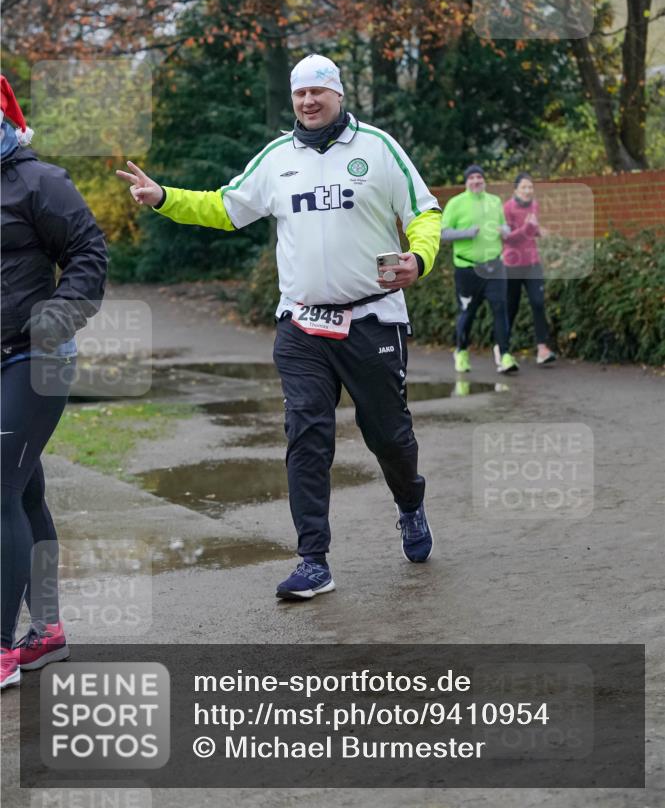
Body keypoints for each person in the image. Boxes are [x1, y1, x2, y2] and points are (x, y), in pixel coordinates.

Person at [117, 54, 442, 601]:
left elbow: (424, 211)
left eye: (319, 92)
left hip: (372, 319)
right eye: (300, 94)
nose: (309, 102)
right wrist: (164, 198)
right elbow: (226, 206)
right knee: (306, 435)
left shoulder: (378, 148)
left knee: (389, 436)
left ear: (339, 94)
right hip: (302, 324)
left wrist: (421, 258)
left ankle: (410, 504)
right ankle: (313, 560)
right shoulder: (275, 158)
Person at [1, 76, 107, 690]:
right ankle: (46, 632)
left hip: (36, 356)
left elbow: (89, 253)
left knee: (0, 489)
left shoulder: (40, 181)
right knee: (23, 493)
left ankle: (2, 649)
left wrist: (59, 314)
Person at [440, 165, 519, 375]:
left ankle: (504, 354)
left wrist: (505, 231)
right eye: (472, 178)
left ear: (484, 181)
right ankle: (462, 351)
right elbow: (443, 233)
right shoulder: (456, 203)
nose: (476, 181)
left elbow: (506, 228)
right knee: (468, 313)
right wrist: (466, 233)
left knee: (500, 310)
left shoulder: (494, 201)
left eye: (479, 177)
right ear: (466, 182)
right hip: (467, 269)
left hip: (495, 266)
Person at [500, 172, 556, 366]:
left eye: (530, 187)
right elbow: (508, 238)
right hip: (512, 265)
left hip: (532, 263)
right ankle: (502, 348)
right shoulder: (506, 208)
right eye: (524, 187)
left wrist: (540, 231)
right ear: (515, 189)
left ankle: (542, 349)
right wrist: (528, 227)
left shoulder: (534, 205)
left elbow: (530, 231)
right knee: (511, 308)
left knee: (538, 303)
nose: (528, 190)